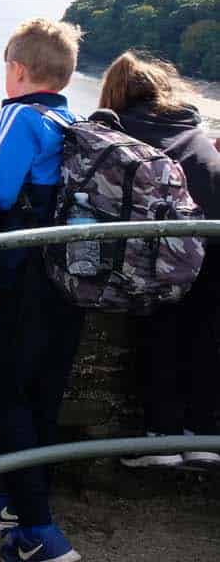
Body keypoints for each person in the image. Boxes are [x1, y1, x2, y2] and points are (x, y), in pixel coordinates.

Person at [0, 18, 84, 562]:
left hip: (24, 277)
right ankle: (17, 498)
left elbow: (0, 194)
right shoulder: (72, 118)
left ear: (18, 69)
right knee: (43, 396)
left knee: (4, 394)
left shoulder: (21, 116)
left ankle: (40, 533)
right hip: (69, 278)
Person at [97, 52, 220, 469]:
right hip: (215, 235)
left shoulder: (121, 130)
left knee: (160, 328)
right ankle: (202, 435)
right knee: (207, 334)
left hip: (171, 245)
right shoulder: (191, 125)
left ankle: (161, 437)